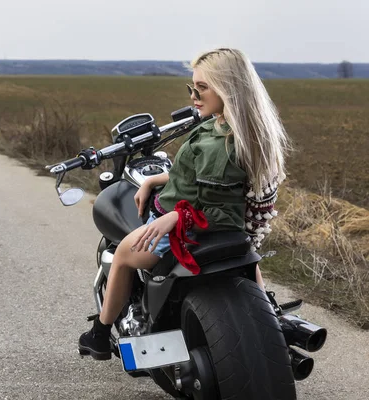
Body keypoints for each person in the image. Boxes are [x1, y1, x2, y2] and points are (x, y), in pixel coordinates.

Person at [78, 48, 290, 360]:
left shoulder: (221, 145)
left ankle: (98, 334)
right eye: (191, 88)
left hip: (184, 229)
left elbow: (218, 209)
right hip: (216, 229)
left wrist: (172, 219)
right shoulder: (233, 130)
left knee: (123, 253)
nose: (193, 96)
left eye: (202, 88)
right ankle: (271, 313)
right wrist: (156, 180)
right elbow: (200, 183)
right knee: (249, 258)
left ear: (228, 88)